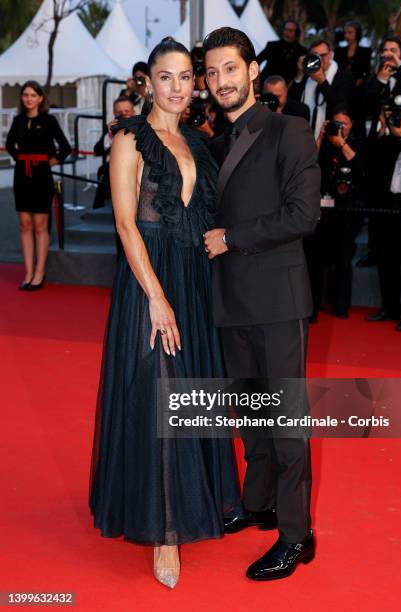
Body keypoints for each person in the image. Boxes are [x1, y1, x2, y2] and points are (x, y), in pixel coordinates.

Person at [88, 37, 243, 589]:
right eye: (166, 77)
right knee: (162, 390)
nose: (178, 87)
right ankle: (166, 535)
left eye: (185, 77)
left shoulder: (199, 143)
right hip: (148, 281)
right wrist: (155, 296)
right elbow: (126, 223)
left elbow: (208, 220)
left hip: (193, 282)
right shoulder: (130, 139)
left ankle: (183, 504)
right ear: (147, 81)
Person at [203, 27, 321, 581]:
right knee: (249, 417)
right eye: (212, 71)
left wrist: (232, 237)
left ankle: (297, 536)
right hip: (230, 302)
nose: (221, 80)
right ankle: (260, 504)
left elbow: (304, 215)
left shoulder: (289, 130)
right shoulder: (211, 143)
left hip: (277, 300)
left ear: (252, 70)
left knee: (288, 424)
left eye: (230, 68)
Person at [5, 80, 72, 290]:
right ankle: (28, 271)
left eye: (33, 95)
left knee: (40, 225)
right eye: (25, 95)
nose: (29, 99)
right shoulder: (17, 120)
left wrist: (49, 161)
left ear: (40, 98)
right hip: (22, 176)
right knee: (25, 224)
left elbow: (65, 147)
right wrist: (21, 159)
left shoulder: (49, 120)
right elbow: (9, 144)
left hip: (42, 176)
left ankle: (40, 271)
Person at [304, 105, 366, 321]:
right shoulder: (325, 144)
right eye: (335, 123)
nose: (339, 128)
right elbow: (308, 164)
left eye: (344, 124)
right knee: (315, 262)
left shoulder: (356, 143)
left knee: (343, 261)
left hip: (346, 212)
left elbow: (361, 169)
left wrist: (342, 143)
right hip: (322, 212)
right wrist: (320, 138)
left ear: (352, 126)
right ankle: (312, 308)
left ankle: (341, 307)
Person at [364, 102, 401, 329]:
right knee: (387, 259)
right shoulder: (392, 138)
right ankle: (389, 307)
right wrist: (384, 127)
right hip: (389, 207)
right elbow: (372, 157)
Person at [289, 39, 355, 139]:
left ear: (330, 55)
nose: (319, 59)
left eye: (323, 55)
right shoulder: (306, 74)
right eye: (315, 56)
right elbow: (292, 102)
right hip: (303, 137)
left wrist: (322, 82)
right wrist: (300, 74)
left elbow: (340, 106)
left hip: (329, 138)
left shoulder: (344, 76)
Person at [93, 96, 135, 209]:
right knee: (104, 170)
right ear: (114, 113)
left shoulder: (142, 127)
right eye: (119, 112)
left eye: (127, 111)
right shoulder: (113, 128)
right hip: (115, 172)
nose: (124, 115)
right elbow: (97, 150)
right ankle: (100, 207)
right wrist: (110, 135)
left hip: (135, 172)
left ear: (134, 111)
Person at [334, 21, 371, 126]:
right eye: (345, 33)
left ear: (357, 34)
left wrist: (360, 80)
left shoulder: (365, 51)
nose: (347, 35)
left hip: (358, 91)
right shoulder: (339, 51)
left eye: (350, 32)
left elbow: (366, 70)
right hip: (342, 90)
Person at [257, 20, 307, 85]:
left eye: (290, 31)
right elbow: (256, 61)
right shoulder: (272, 46)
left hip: (289, 88)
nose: (287, 33)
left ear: (297, 33)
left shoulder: (302, 51)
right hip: (267, 85)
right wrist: (257, 78)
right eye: (285, 30)